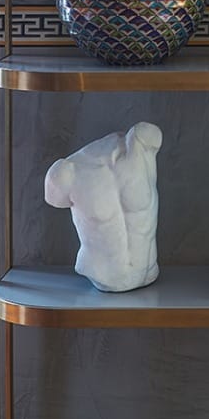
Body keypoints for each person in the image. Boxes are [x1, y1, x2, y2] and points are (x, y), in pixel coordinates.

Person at [44, 123, 162, 293]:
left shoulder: (144, 141)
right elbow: (54, 198)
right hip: (103, 275)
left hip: (149, 271)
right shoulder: (65, 173)